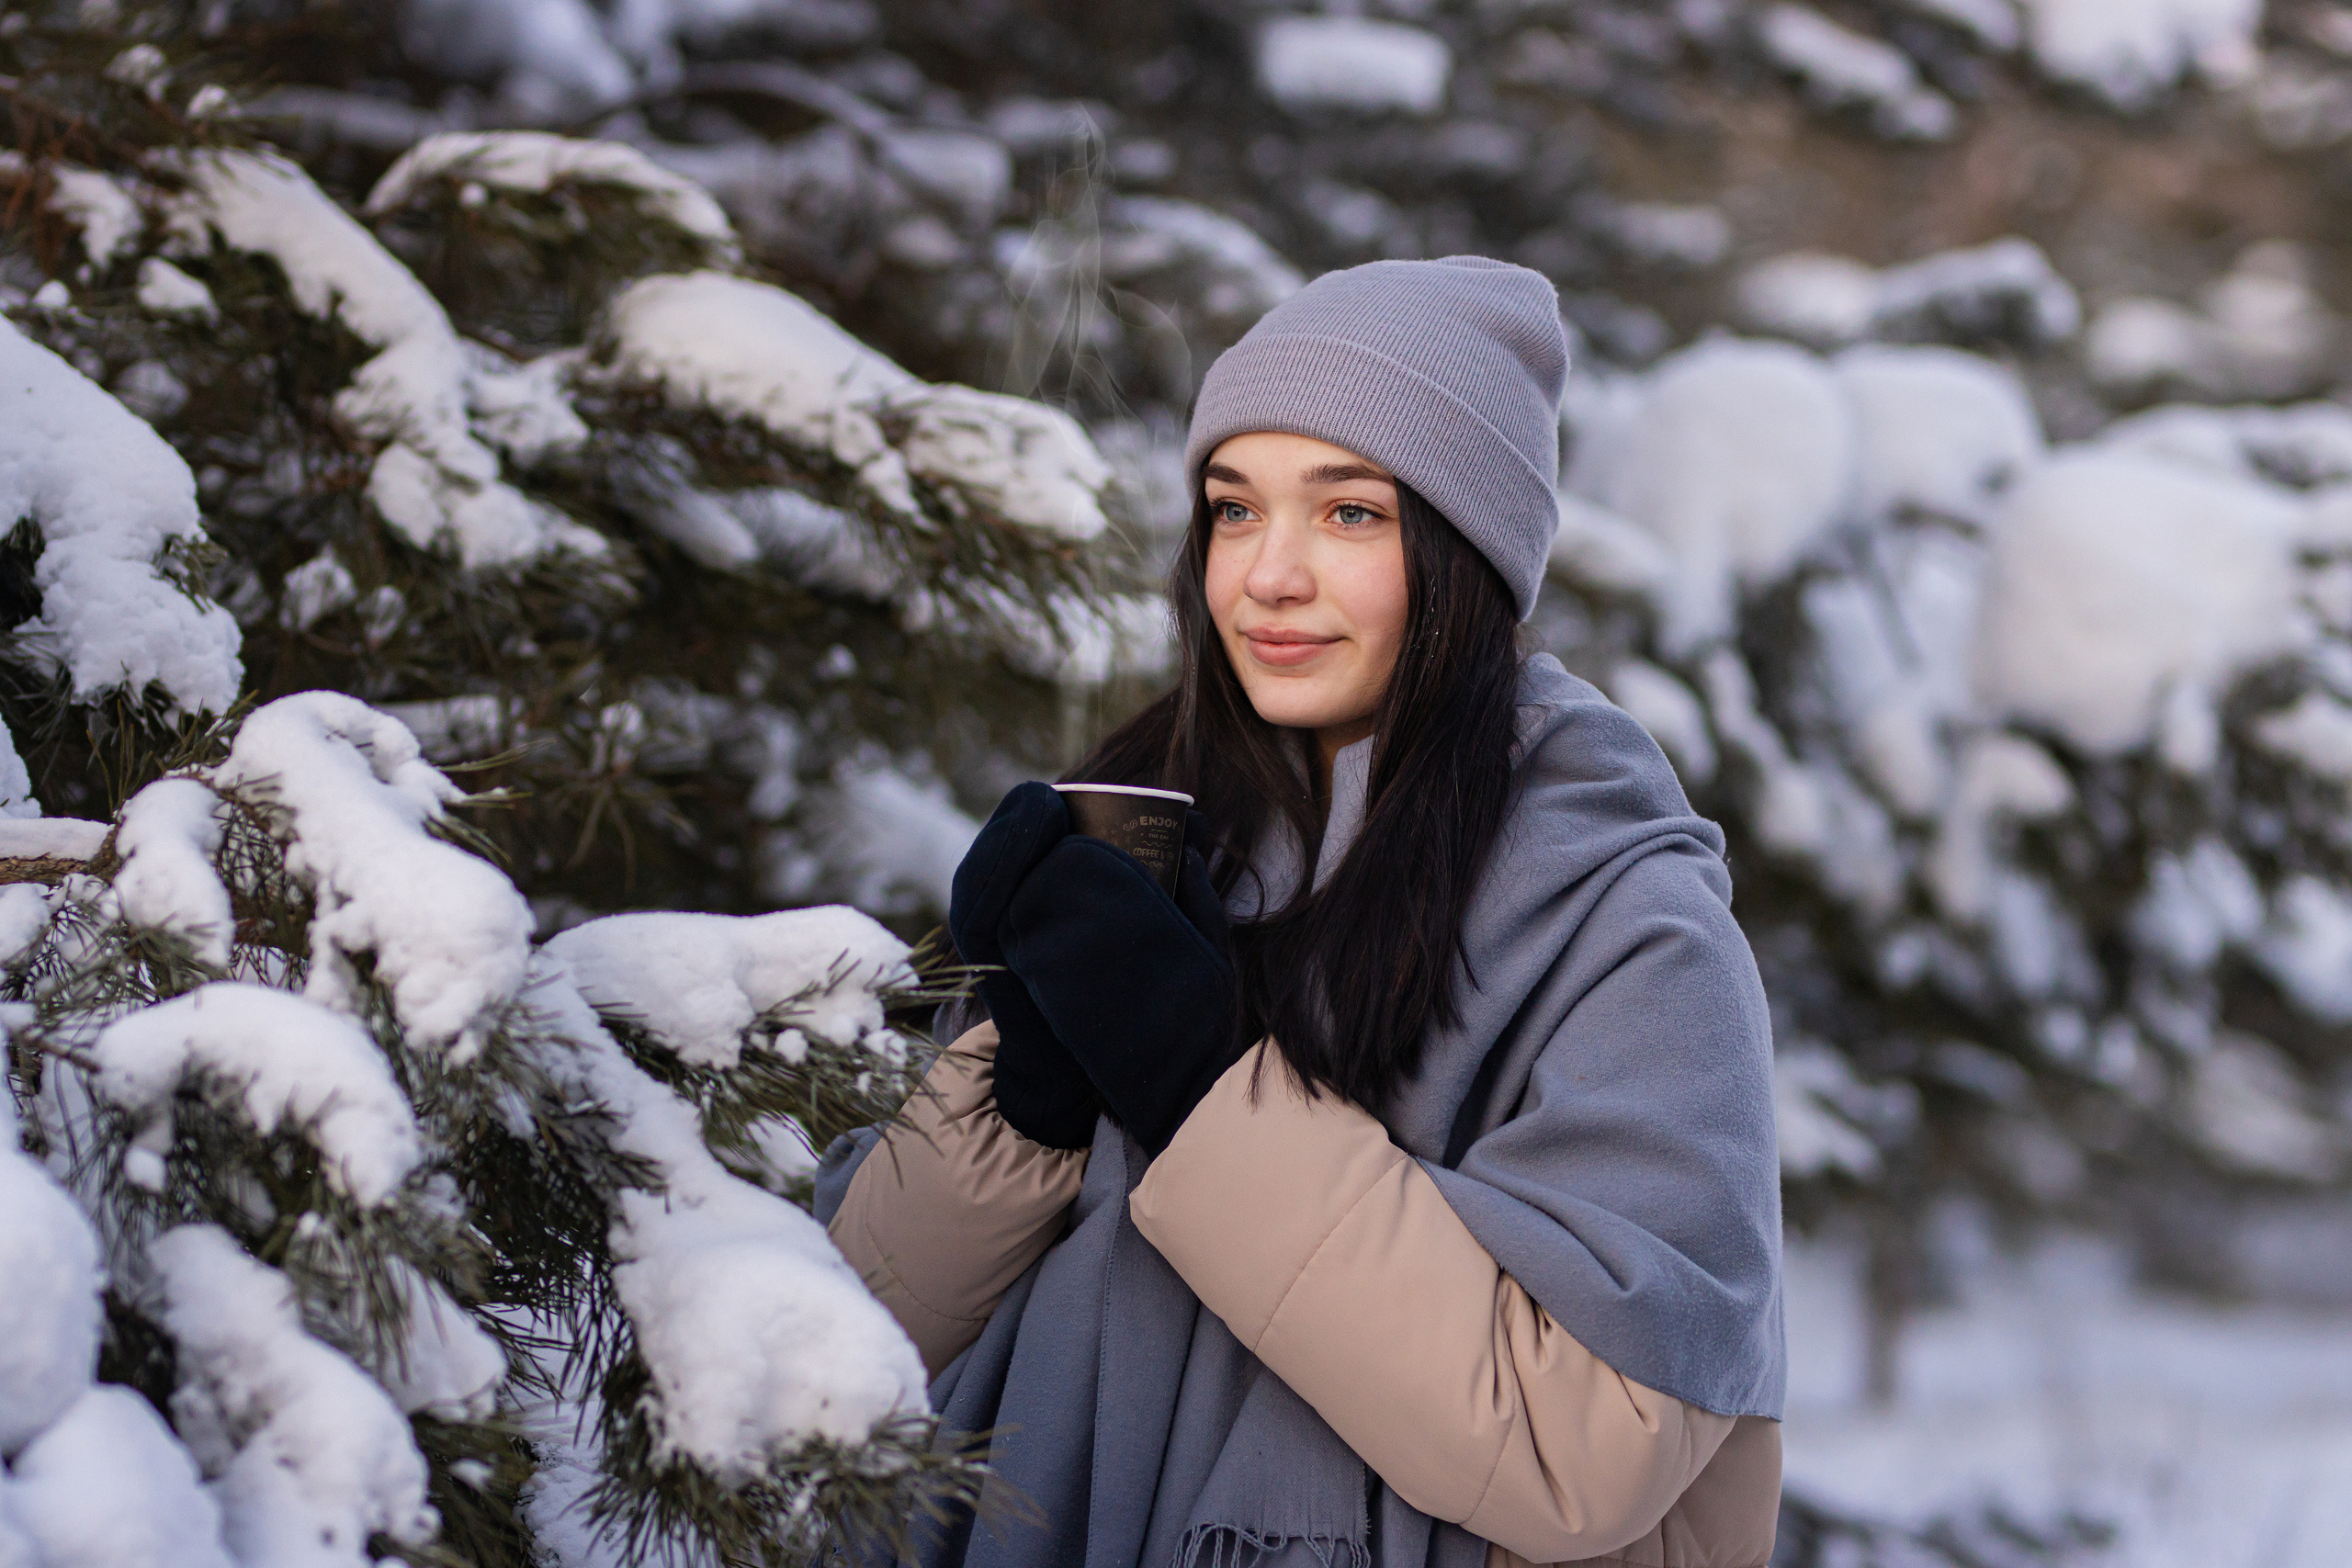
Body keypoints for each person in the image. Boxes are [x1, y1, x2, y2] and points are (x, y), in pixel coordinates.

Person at [816, 256, 1785, 1568]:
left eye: (1348, 514)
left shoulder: (1626, 927)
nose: (1267, 575)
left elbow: (1593, 1445)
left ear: (1465, 552)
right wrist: (1024, 1107)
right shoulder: (1152, 841)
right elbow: (849, 1349)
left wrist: (1204, 1093)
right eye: (1234, 509)